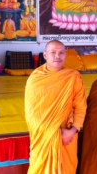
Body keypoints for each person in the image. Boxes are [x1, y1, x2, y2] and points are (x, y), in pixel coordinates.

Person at [25, 40, 87, 174]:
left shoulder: (73, 77)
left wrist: (73, 131)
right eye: (53, 52)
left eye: (61, 53)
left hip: (68, 136)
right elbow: (32, 114)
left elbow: (81, 106)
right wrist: (52, 133)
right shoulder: (35, 78)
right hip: (43, 137)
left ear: (65, 55)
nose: (57, 56)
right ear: (45, 55)